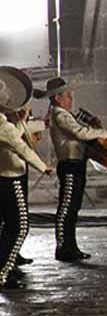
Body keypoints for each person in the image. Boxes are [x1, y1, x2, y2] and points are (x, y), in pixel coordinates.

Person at [35, 77, 107, 261]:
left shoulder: (65, 114)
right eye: (68, 96)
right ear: (57, 98)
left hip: (76, 163)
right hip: (69, 164)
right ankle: (63, 247)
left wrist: (94, 126)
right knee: (67, 207)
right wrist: (104, 133)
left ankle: (71, 247)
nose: (71, 99)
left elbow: (81, 131)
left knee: (73, 207)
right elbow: (79, 133)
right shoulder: (60, 114)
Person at [0, 66, 53, 289]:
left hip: (5, 177)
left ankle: (7, 268)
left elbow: (17, 137)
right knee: (20, 226)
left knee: (10, 226)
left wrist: (20, 119)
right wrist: (44, 167)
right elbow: (22, 148)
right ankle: (3, 272)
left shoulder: (6, 123)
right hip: (10, 178)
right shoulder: (3, 125)